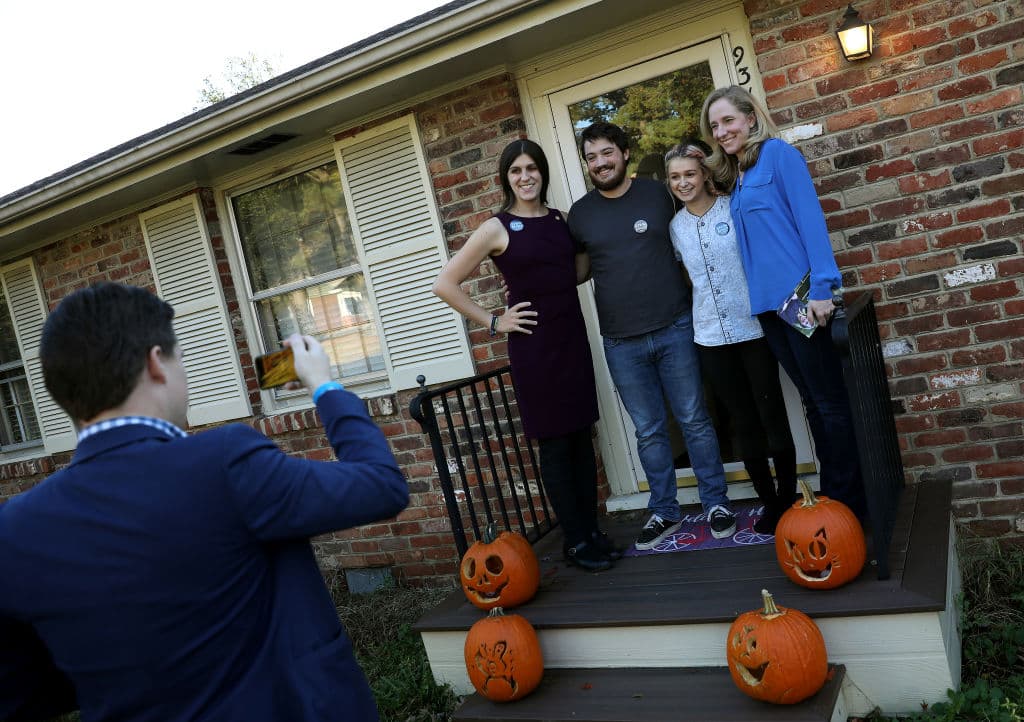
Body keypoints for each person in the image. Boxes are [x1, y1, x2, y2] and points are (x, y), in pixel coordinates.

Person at [0, 282, 409, 722]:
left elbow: (23, 693)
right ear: (156, 363)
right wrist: (325, 386)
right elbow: (381, 485)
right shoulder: (225, 461)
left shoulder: (15, 527)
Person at [432, 138, 619, 572]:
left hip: (571, 338)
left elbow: (578, 271)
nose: (525, 176)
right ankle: (575, 542)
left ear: (542, 172)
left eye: (531, 168)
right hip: (534, 348)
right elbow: (445, 284)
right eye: (516, 170)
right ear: (506, 178)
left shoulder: (562, 220)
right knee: (555, 446)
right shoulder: (496, 228)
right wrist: (495, 321)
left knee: (580, 439)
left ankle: (592, 531)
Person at [567, 121, 736, 551]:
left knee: (695, 420)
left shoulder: (659, 194)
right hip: (621, 341)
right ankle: (665, 509)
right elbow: (580, 271)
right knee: (649, 431)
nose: (600, 163)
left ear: (624, 153)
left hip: (675, 325)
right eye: (591, 157)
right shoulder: (581, 214)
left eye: (607, 153)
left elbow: (695, 232)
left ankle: (716, 502)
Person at [701, 85, 868, 520]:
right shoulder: (738, 176)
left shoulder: (778, 155)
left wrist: (822, 290)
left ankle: (851, 504)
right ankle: (834, 497)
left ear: (750, 118)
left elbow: (810, 220)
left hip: (801, 300)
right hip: (771, 311)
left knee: (829, 401)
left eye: (728, 120)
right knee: (813, 402)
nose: (722, 131)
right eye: (715, 126)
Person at [664, 138, 798, 533]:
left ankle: (788, 499)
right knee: (743, 423)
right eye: (675, 177)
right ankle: (769, 502)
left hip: (753, 328)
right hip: (709, 337)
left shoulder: (733, 208)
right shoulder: (675, 228)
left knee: (770, 412)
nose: (683, 183)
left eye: (690, 174)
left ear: (706, 174)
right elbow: (688, 279)